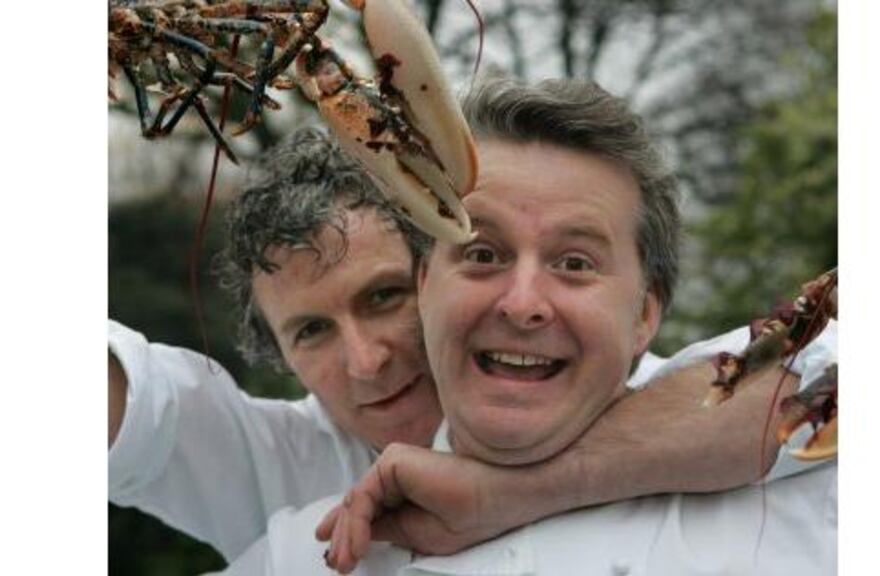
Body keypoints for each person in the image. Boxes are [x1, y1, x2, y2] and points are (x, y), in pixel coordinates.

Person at [108, 96, 834, 565]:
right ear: (436, 283)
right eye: (483, 254)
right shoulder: (305, 540)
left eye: (574, 262)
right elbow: (154, 409)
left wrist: (519, 491)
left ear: (646, 313)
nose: (367, 361)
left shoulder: (770, 449)